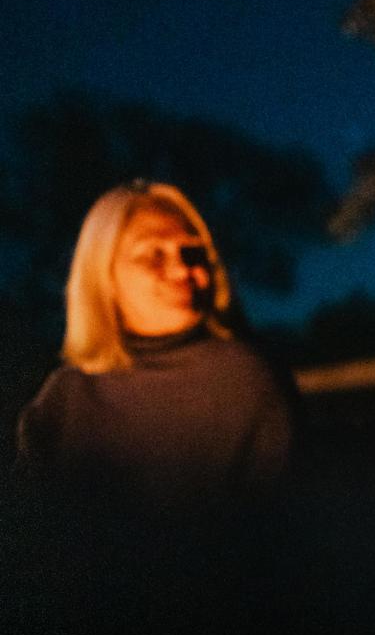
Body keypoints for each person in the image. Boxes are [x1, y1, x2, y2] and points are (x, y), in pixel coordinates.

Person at [15, 180, 294, 498]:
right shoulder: (66, 398)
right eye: (153, 256)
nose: (182, 271)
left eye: (192, 253)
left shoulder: (245, 381)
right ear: (104, 277)